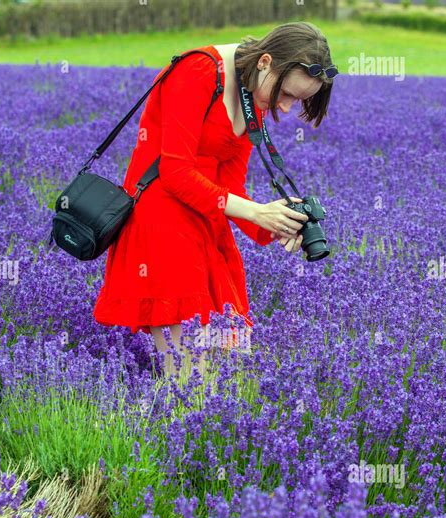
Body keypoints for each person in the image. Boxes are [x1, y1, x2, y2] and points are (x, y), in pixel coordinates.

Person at [93, 21, 337, 379]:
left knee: (230, 364)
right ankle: (155, 428)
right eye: (285, 94)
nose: (285, 108)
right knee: (191, 375)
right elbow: (175, 172)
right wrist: (256, 211)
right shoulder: (198, 72)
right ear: (265, 61)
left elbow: (232, 186)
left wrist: (276, 222)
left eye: (298, 100)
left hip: (204, 221)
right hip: (161, 224)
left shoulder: (253, 94)